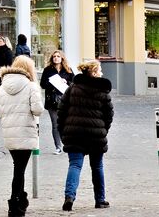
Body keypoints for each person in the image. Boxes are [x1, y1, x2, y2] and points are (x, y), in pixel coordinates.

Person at [58, 60, 113, 211]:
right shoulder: (103, 91)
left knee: (75, 165)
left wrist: (63, 131)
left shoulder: (73, 88)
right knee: (97, 166)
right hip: (96, 134)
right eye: (99, 70)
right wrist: (102, 130)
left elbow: (61, 111)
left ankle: (69, 197)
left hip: (74, 133)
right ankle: (100, 200)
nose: (101, 73)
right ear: (94, 73)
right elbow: (109, 115)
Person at [0, 55, 44, 217]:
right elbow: (38, 110)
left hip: (10, 133)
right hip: (25, 132)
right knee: (19, 170)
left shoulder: (2, 88)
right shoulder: (31, 87)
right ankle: (15, 203)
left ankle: (20, 198)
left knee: (18, 167)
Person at [40, 50, 75, 155]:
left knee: (65, 123)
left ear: (62, 58)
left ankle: (67, 144)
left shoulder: (68, 70)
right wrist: (53, 82)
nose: (56, 58)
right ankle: (58, 147)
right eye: (54, 56)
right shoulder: (47, 70)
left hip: (65, 101)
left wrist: (66, 82)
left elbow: (74, 83)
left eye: (58, 56)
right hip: (52, 101)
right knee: (55, 125)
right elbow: (42, 84)